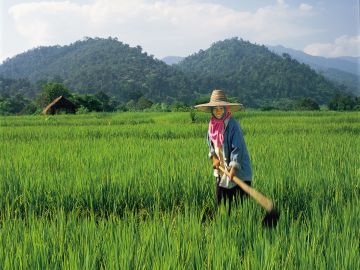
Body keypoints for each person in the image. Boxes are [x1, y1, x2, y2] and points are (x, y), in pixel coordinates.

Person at [195, 89, 252, 215]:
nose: (219, 111)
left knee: (240, 207)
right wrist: (213, 157)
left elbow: (238, 147)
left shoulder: (233, 125)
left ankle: (240, 227)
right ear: (212, 110)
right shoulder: (212, 124)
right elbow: (210, 143)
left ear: (226, 109)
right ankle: (222, 224)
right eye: (215, 108)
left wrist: (234, 167)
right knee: (221, 203)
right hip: (221, 170)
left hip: (239, 172)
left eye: (221, 108)